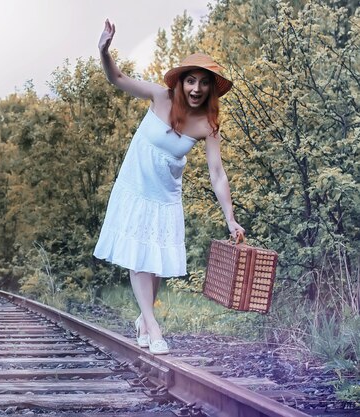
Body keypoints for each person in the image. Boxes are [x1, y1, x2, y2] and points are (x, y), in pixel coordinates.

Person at [93, 19, 244, 355]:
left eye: (204, 83)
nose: (196, 88)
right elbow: (115, 78)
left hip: (165, 197)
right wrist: (104, 50)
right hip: (135, 189)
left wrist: (230, 218)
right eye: (191, 80)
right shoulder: (158, 97)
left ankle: (143, 320)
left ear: (210, 89)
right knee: (139, 260)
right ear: (181, 82)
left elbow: (217, 174)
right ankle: (153, 325)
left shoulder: (208, 125)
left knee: (156, 262)